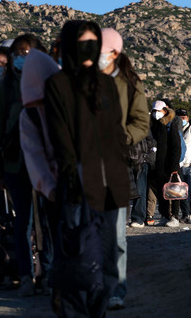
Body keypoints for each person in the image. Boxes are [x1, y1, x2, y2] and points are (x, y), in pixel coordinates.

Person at [44, 20, 130, 316]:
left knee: (107, 254)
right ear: (70, 46)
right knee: (78, 252)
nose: (90, 50)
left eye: (95, 43)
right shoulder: (57, 85)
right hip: (78, 182)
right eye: (83, 43)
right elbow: (61, 136)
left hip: (111, 182)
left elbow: (116, 130)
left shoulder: (106, 83)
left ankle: (99, 309)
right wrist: (72, 177)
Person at [0, 34, 46, 297]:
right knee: (23, 221)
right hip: (15, 164)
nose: (22, 58)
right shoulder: (5, 88)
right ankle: (25, 274)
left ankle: (46, 273)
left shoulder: (48, 81)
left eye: (28, 52)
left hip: (45, 163)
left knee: (45, 221)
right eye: (18, 53)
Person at [98, 28, 149, 310]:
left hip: (114, 165)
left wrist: (121, 137)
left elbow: (141, 122)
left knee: (116, 234)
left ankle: (117, 289)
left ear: (114, 53)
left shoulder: (130, 83)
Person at [18, 48, 60, 296]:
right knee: (42, 226)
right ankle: (49, 275)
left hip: (67, 180)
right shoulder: (30, 114)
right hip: (49, 183)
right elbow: (33, 153)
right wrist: (49, 185)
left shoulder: (64, 105)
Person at [147, 100, 183, 228]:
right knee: (162, 192)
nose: (156, 113)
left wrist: (174, 167)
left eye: (158, 111)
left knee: (174, 191)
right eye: (154, 111)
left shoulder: (170, 125)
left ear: (165, 111)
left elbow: (176, 147)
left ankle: (174, 216)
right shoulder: (154, 126)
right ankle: (164, 215)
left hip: (170, 165)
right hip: (159, 165)